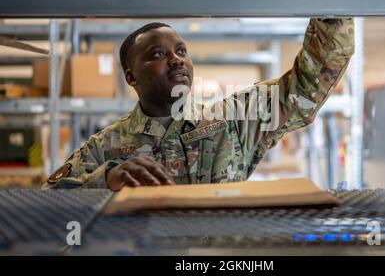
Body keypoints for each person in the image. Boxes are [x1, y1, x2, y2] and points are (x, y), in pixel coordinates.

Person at [43, 18, 354, 191]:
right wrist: (105, 179)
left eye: (181, 50)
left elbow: (308, 83)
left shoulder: (233, 120)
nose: (176, 59)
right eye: (157, 54)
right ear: (131, 77)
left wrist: (330, 5)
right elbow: (47, 205)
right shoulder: (105, 147)